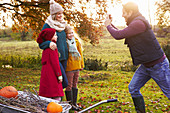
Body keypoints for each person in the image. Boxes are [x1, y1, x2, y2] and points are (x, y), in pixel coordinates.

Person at [104, 2, 170, 113]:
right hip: (146, 65)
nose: (122, 15)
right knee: (133, 88)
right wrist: (111, 24)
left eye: (124, 13)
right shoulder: (135, 23)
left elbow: (118, 35)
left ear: (131, 12)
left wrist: (108, 25)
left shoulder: (139, 23)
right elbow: (122, 32)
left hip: (158, 66)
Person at [38, 0, 68, 89]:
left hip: (64, 57)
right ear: (53, 14)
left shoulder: (63, 25)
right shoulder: (48, 25)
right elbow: (40, 42)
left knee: (61, 83)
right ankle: (54, 100)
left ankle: (60, 102)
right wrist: (48, 43)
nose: (60, 15)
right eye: (58, 13)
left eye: (61, 13)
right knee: (63, 82)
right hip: (55, 57)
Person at [37, 28, 64, 101]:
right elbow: (55, 63)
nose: (57, 36)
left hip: (46, 74)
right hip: (52, 74)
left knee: (47, 93)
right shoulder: (52, 48)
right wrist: (59, 75)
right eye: (55, 35)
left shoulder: (46, 48)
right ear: (50, 37)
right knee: (56, 93)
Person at [64, 25, 84, 111]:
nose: (71, 35)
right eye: (69, 33)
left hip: (77, 65)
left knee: (75, 84)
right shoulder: (64, 43)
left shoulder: (76, 41)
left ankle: (74, 103)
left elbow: (81, 54)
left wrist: (82, 65)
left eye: (72, 33)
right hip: (69, 66)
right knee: (69, 85)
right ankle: (70, 104)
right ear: (65, 34)